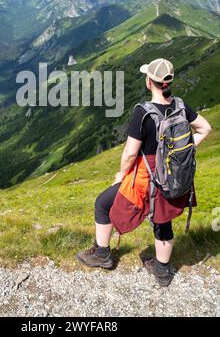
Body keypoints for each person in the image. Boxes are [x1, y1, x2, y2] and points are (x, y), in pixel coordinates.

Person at [77, 58, 212, 286]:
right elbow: (205, 128)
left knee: (103, 203)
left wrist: (121, 175)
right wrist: (182, 153)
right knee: (163, 218)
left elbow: (130, 153)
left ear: (149, 82)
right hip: (173, 174)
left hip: (147, 175)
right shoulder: (180, 106)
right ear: (168, 81)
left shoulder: (144, 112)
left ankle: (102, 254)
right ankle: (162, 270)